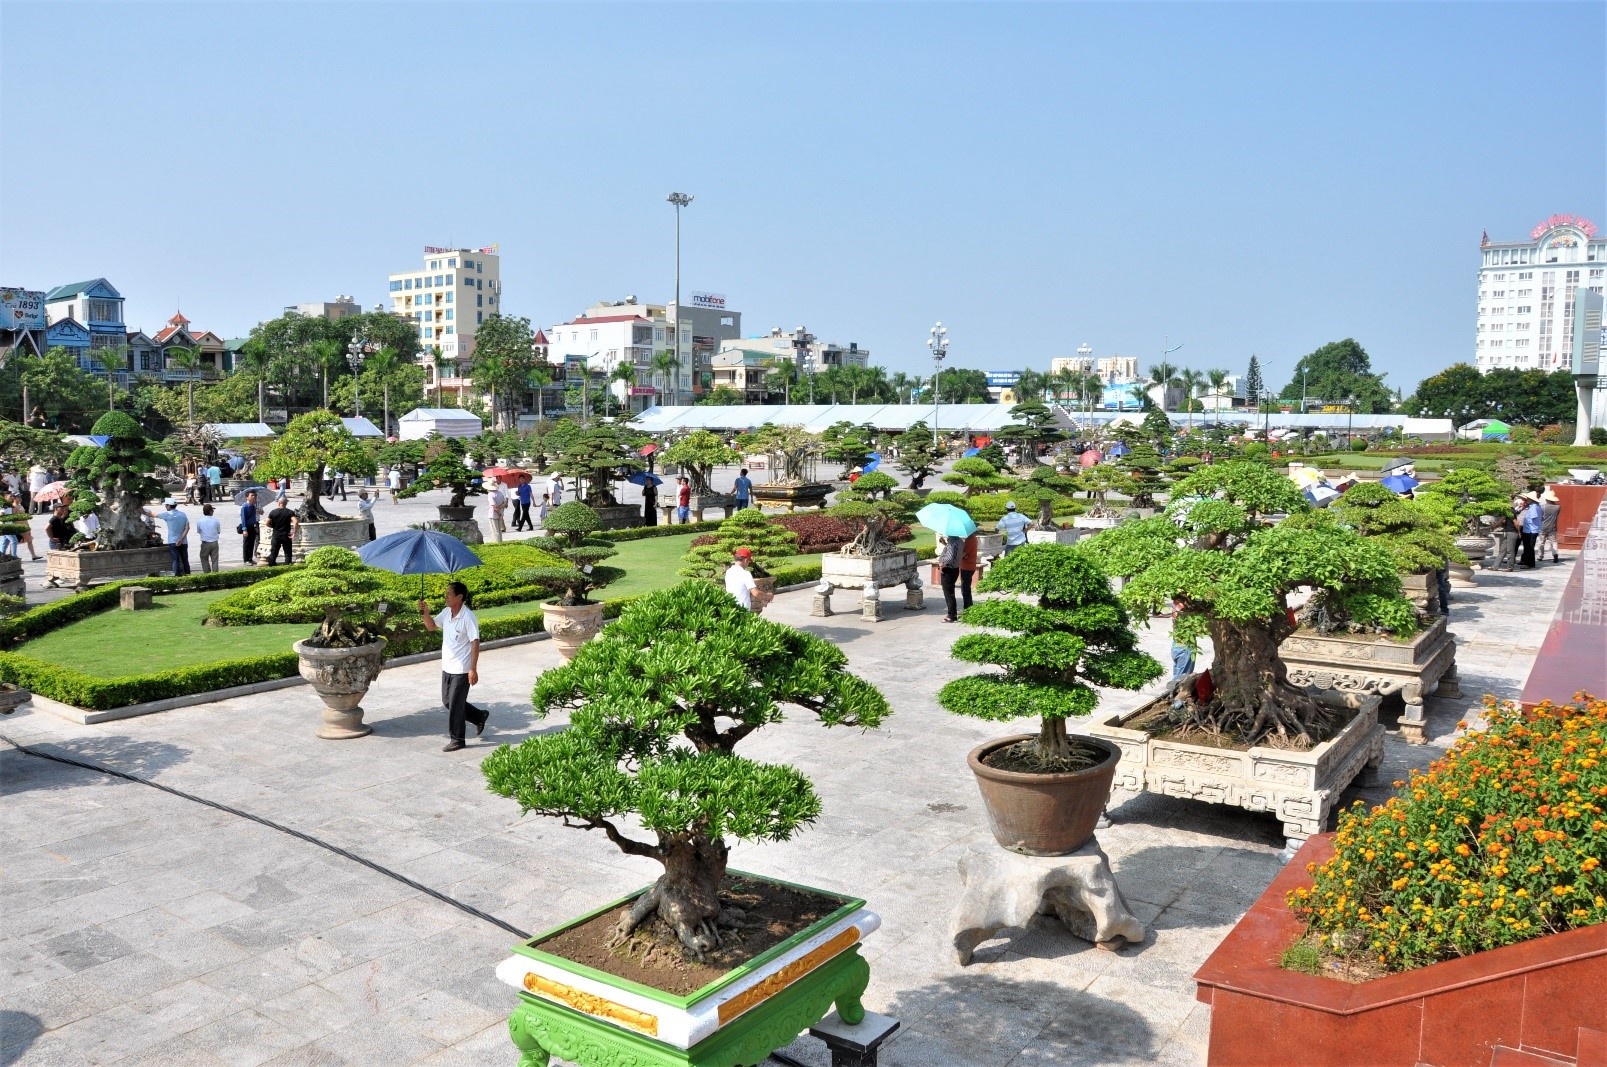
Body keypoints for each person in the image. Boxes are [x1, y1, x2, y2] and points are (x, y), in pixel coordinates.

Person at [419, 581, 486, 751]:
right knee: (448, 701)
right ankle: (479, 716)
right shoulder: (446, 613)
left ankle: (457, 739)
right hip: (447, 666)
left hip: (462, 669)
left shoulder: (468, 617)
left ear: (459, 597)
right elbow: (431, 626)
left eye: (449, 594)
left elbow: (475, 642)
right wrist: (425, 612)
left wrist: (473, 669)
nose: (446, 597)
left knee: (455, 705)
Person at [154, 498, 192, 576]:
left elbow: (154, 514)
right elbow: (187, 528)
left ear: (169, 506)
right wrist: (181, 539)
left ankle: (177, 576)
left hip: (173, 541)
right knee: (185, 560)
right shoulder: (182, 514)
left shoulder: (167, 514)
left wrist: (143, 511)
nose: (165, 506)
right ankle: (188, 575)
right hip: (184, 541)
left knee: (175, 560)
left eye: (166, 505)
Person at [936, 534, 963, 623]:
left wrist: (942, 564)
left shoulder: (952, 542)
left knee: (948, 593)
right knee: (950, 592)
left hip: (948, 570)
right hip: (955, 569)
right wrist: (945, 544)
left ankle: (951, 615)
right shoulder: (959, 541)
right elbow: (953, 552)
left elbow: (949, 557)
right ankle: (952, 614)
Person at [264, 497, 297, 565]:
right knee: (288, 552)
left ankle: (271, 565)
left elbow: (267, 523)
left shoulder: (273, 512)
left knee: (274, 552)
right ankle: (288, 565)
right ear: (286, 503)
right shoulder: (290, 512)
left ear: (279, 503)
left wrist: (272, 526)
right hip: (286, 535)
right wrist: (294, 532)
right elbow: (296, 522)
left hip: (276, 534)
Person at [1170, 600, 1196, 677]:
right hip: (1185, 646)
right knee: (1182, 679)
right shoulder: (1183, 606)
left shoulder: (1176, 603)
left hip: (1178, 644)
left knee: (1178, 677)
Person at [1518, 491, 1543, 569]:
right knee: (1527, 547)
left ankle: (1529, 563)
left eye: (1528, 498)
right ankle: (1525, 561)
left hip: (1531, 530)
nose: (1527, 500)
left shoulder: (1534, 507)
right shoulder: (1533, 506)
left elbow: (1532, 518)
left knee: (1529, 547)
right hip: (1529, 529)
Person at [196, 503, 222, 573]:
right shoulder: (216, 520)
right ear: (210, 511)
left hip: (205, 543)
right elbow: (218, 531)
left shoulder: (200, 521)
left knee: (204, 558)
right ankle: (215, 574)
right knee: (215, 560)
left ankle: (207, 573)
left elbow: (199, 531)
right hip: (214, 542)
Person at [239, 489, 261, 565]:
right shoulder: (244, 507)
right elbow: (243, 519)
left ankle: (250, 558)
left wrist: (255, 527)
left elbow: (254, 518)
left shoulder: (253, 506)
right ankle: (246, 560)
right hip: (247, 527)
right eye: (252, 495)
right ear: (247, 497)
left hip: (252, 527)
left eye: (254, 495)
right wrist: (244, 529)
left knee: (252, 543)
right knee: (246, 544)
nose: (254, 497)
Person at [1539, 489, 1561, 564]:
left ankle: (1540, 556)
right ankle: (1555, 554)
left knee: (1541, 542)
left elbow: (1540, 517)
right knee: (1553, 542)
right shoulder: (1557, 507)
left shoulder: (1542, 507)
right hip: (1552, 526)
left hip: (1543, 526)